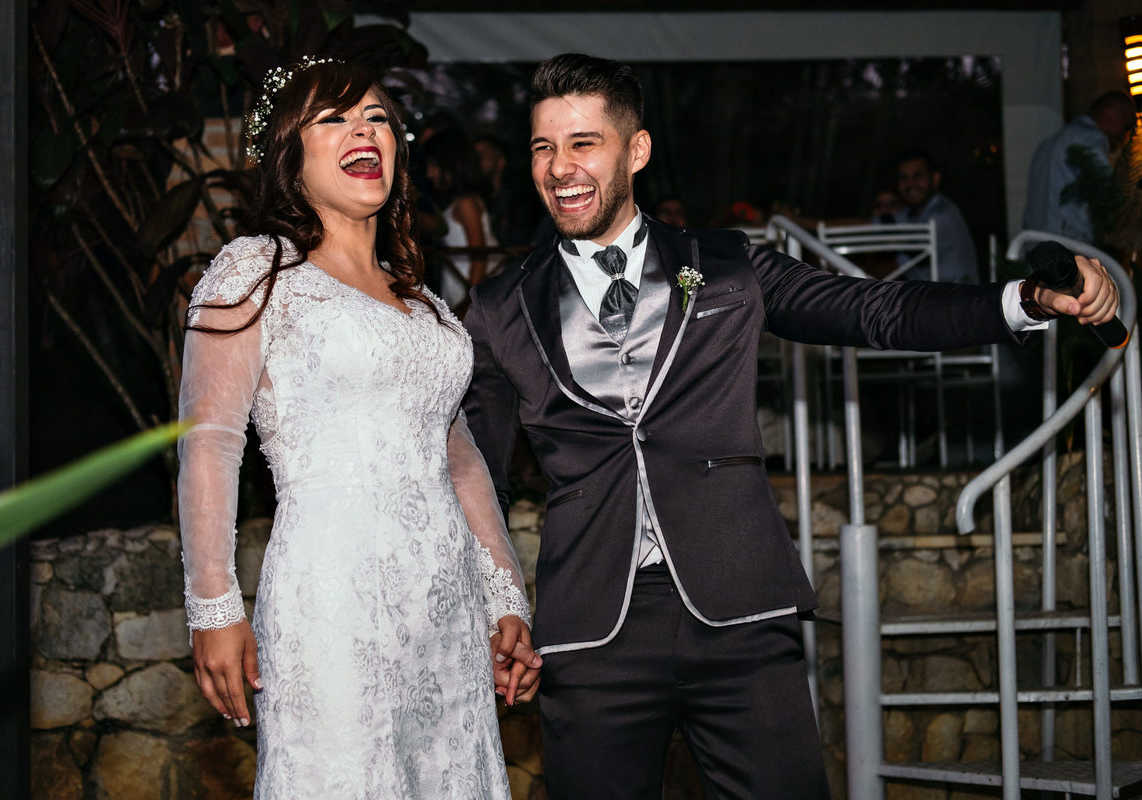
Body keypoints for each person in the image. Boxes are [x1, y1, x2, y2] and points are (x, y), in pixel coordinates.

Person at [462, 53, 1119, 799]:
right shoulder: (499, 306)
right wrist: (496, 607)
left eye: (584, 143)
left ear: (635, 150)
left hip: (741, 609)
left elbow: (879, 311)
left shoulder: (727, 266)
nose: (559, 167)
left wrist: (1023, 300)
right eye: (544, 148)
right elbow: (473, 472)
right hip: (591, 631)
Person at [177, 57, 538, 797]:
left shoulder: (427, 305)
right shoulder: (257, 271)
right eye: (334, 118)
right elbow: (209, 442)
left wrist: (505, 596)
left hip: (444, 608)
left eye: (377, 116)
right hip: (332, 600)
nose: (363, 129)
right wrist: (213, 606)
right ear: (290, 154)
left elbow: (460, 459)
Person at [1022, 90, 1136, 245]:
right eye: (1126, 126)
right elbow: (1106, 199)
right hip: (1067, 248)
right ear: (1111, 111)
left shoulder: (1049, 143)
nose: (1125, 137)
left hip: (1036, 246)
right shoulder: (1090, 138)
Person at [422, 128, 497, 308]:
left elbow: (479, 255)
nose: (429, 174)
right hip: (459, 284)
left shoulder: (466, 203)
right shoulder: (457, 203)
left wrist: (469, 303)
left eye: (433, 166)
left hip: (470, 288)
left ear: (449, 165)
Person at [891, 148, 980, 283]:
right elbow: (875, 226)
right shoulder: (911, 215)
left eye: (918, 176)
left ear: (935, 179)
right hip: (930, 298)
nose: (910, 184)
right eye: (904, 178)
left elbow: (893, 268)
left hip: (957, 300)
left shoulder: (942, 214)